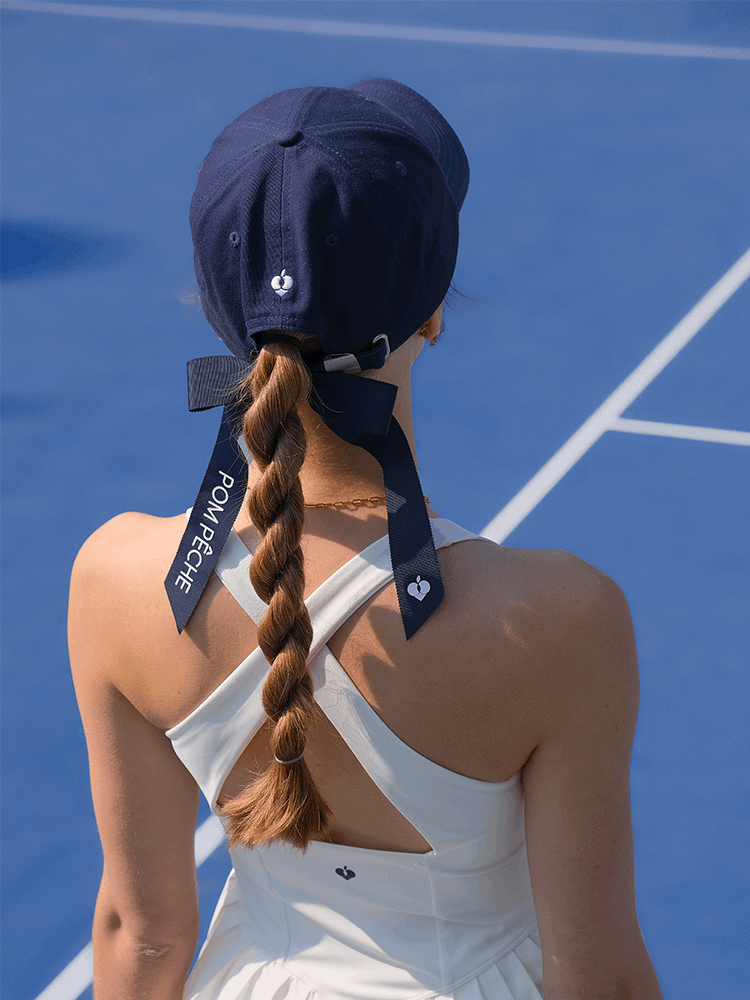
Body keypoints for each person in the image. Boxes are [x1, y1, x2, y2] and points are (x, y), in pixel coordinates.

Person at [69, 80, 662, 1000]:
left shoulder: (113, 579)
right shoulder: (562, 619)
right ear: (429, 314)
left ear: (222, 320)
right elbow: (601, 978)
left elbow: (140, 936)